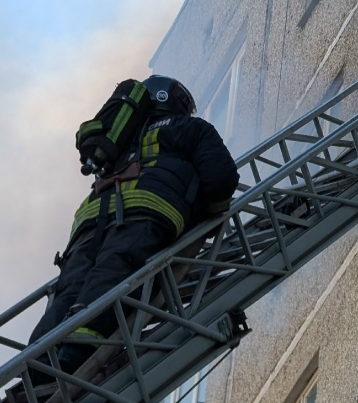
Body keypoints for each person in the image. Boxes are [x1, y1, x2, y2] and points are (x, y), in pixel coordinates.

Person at [25, 75, 238, 384]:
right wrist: (208, 213)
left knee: (70, 289)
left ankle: (37, 364)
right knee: (112, 275)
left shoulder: (119, 141)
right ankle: (77, 351)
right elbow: (221, 180)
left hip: (89, 222)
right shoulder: (190, 129)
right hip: (145, 213)